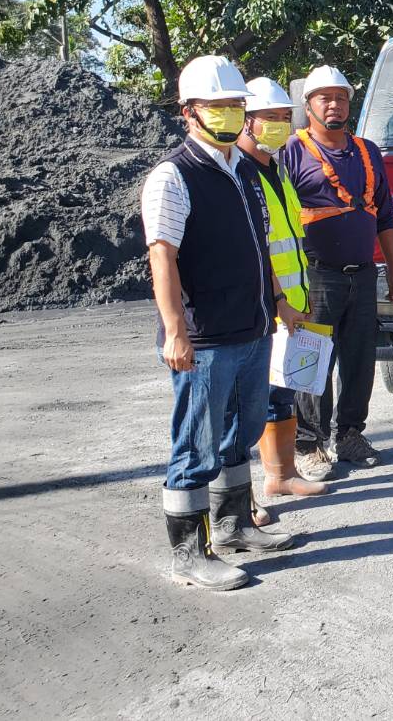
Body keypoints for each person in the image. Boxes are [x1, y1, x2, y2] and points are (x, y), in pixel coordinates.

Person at [142, 55, 306, 590]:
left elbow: (261, 247)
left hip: (253, 327)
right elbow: (162, 256)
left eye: (237, 105)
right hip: (206, 337)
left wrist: (278, 301)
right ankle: (190, 552)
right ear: (189, 112)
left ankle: (236, 525)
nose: (231, 114)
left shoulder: (245, 171)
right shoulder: (173, 175)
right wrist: (174, 330)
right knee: (197, 443)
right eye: (220, 106)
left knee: (244, 429)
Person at [279, 65, 393, 475]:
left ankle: (350, 434)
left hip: (363, 273)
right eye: (325, 98)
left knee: (359, 358)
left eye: (342, 97)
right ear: (308, 104)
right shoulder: (290, 152)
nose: (335, 105)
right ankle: (310, 443)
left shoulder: (367, 151)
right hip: (317, 276)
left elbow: (384, 215)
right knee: (312, 360)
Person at [237, 76, 329, 518]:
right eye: (269, 118)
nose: (277, 125)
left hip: (291, 301)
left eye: (282, 118)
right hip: (265, 306)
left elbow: (290, 238)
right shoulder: (240, 172)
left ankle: (281, 474)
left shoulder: (277, 169)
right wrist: (280, 302)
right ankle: (241, 498)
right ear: (246, 120)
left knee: (282, 393)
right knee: (250, 401)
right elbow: (255, 248)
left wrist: (301, 296)